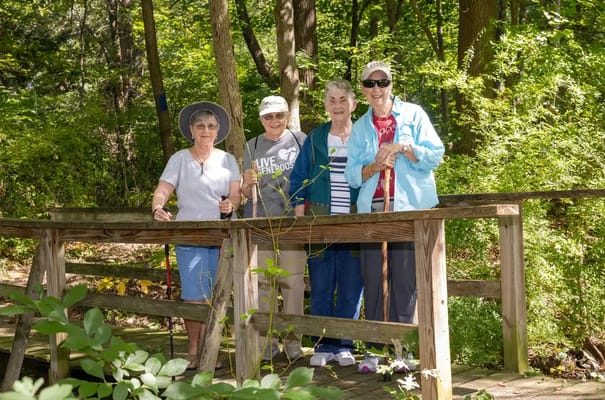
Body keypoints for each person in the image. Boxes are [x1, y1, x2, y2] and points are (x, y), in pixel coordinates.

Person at [344, 61, 444, 374]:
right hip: (375, 210)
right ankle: (374, 348)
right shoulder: (360, 127)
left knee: (405, 281)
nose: (377, 89)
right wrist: (373, 165)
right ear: (362, 89)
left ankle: (403, 350)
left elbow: (435, 155)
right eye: (370, 84)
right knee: (374, 278)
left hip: (410, 207)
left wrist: (404, 147)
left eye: (382, 82)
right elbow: (351, 175)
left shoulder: (414, 115)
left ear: (391, 85)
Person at [151, 101, 241, 370]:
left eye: (211, 126)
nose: (206, 130)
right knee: (193, 295)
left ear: (217, 132)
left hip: (222, 235)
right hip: (189, 234)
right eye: (200, 125)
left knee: (218, 293)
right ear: (191, 129)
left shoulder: (227, 159)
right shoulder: (179, 158)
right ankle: (193, 351)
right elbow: (163, 189)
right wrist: (157, 207)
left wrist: (231, 205)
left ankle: (212, 349)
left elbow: (236, 194)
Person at [288, 79, 364, 368]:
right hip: (319, 220)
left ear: (353, 104)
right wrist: (299, 217)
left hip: (356, 220)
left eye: (342, 99)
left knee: (351, 285)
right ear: (325, 105)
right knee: (321, 283)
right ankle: (322, 344)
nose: (337, 105)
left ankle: (344, 344)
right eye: (331, 100)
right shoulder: (316, 138)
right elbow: (300, 177)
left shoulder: (363, 135)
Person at [240, 95, 308, 361]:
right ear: (261, 119)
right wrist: (247, 181)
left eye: (279, 115)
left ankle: (293, 343)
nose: (274, 121)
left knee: (292, 283)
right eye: (268, 116)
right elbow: (245, 193)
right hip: (261, 221)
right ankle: (265, 345)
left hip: (292, 222)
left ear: (286, 116)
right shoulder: (253, 145)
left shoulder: (300, 141)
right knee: (263, 283)